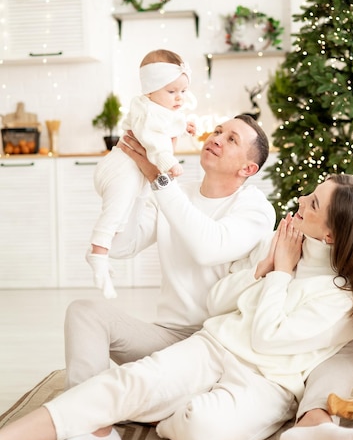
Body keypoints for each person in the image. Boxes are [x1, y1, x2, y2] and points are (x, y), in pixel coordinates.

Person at [0, 174, 353, 440]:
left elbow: (267, 337)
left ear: (330, 233)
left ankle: (294, 431)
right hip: (211, 345)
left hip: (269, 382)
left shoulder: (344, 299)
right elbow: (216, 302)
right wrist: (263, 268)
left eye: (313, 203)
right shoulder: (282, 245)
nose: (301, 201)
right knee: (125, 383)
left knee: (202, 432)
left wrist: (281, 274)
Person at [65, 112, 276, 388]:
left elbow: (208, 247)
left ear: (248, 169)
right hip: (169, 338)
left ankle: (152, 393)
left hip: (217, 346)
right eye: (217, 131)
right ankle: (88, 416)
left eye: (231, 139)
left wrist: (158, 179)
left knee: (152, 392)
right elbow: (121, 246)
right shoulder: (175, 193)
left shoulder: (256, 208)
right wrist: (138, 183)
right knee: (83, 312)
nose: (217, 139)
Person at [87, 48, 196, 299]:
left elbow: (169, 122)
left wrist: (183, 124)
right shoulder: (147, 111)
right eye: (171, 91)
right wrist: (169, 163)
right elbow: (154, 140)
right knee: (115, 212)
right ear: (150, 89)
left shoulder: (159, 108)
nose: (179, 98)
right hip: (121, 168)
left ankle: (98, 250)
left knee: (122, 217)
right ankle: (97, 254)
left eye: (183, 91)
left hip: (131, 170)